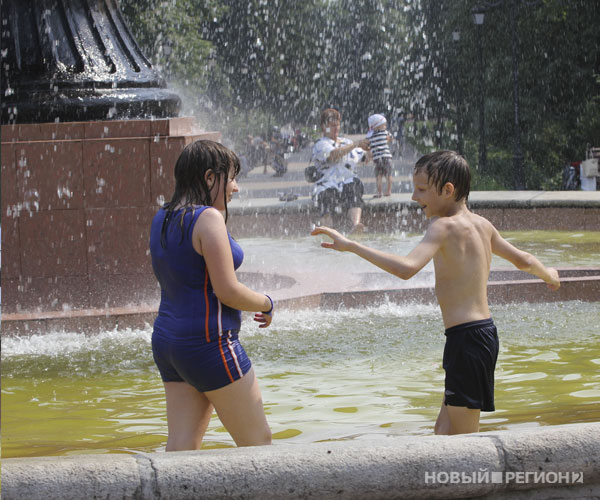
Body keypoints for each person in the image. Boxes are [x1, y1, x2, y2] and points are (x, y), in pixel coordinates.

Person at [311, 150, 560, 435]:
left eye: (421, 190)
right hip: (477, 335)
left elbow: (406, 269)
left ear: (447, 190)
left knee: (464, 442)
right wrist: (548, 274)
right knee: (442, 430)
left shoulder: (442, 227)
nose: (414, 198)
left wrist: (352, 246)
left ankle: (475, 479)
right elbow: (523, 260)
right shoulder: (483, 225)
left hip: (467, 340)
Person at [149, 139, 273, 451]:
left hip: (168, 345)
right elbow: (227, 291)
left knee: (182, 446)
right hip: (209, 344)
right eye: (231, 178)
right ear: (209, 177)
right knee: (258, 444)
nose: (236, 187)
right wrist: (267, 303)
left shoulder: (162, 217)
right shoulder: (207, 218)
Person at [311, 108, 370, 233]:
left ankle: (356, 225)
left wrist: (377, 145)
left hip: (346, 181)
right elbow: (333, 155)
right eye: (332, 125)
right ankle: (328, 231)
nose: (336, 128)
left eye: (337, 125)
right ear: (323, 127)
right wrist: (355, 144)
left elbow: (365, 158)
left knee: (354, 189)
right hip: (327, 183)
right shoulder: (320, 144)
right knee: (326, 197)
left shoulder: (346, 142)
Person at [366, 113, 393, 198]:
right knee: (388, 175)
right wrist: (388, 140)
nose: (385, 126)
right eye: (384, 125)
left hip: (377, 158)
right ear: (378, 125)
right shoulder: (386, 133)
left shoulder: (370, 135)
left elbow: (368, 147)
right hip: (387, 157)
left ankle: (379, 192)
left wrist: (368, 156)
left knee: (379, 176)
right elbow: (391, 138)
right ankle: (388, 191)